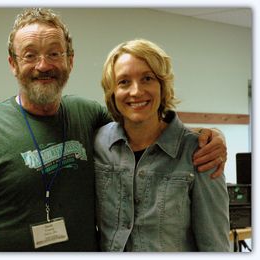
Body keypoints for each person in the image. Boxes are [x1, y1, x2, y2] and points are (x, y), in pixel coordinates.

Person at [0, 8, 227, 252]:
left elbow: (143, 123)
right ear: (13, 64)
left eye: (54, 53)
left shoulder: (89, 116)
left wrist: (208, 136)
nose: (43, 65)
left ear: (70, 61)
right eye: (29, 55)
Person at [94, 39, 230, 252]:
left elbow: (215, 245)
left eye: (147, 78)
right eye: (124, 82)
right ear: (112, 91)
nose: (136, 91)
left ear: (162, 85)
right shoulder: (100, 143)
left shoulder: (201, 151)